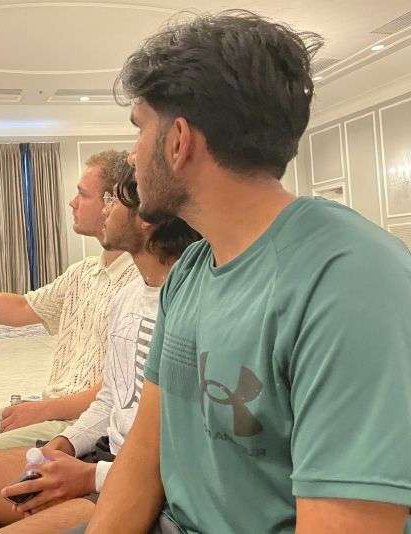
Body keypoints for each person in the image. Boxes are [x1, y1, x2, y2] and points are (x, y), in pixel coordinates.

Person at [83, 10, 411, 534]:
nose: (132, 154)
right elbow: (143, 461)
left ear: (178, 140)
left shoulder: (351, 281)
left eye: (139, 130)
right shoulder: (192, 267)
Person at [0, 163, 200, 533]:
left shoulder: (191, 302)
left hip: (140, 482)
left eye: (110, 200)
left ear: (147, 218)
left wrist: (90, 475)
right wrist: (66, 443)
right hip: (104, 451)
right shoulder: (129, 295)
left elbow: (185, 450)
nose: (101, 210)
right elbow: (113, 397)